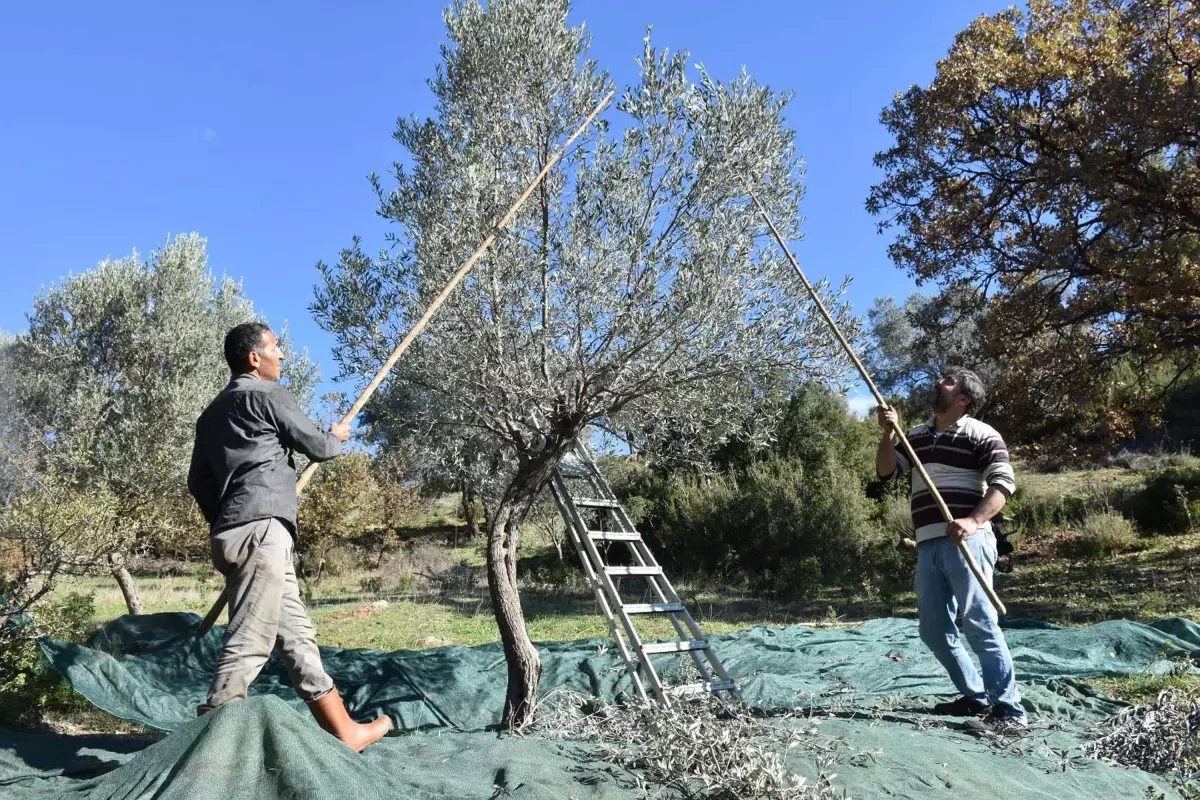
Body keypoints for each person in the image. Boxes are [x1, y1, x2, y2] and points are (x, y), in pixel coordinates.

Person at [188, 322, 392, 751]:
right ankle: (209, 754)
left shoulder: (209, 417)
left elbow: (199, 482)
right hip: (263, 532)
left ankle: (344, 731)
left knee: (296, 636)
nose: (282, 356)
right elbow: (318, 447)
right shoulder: (268, 395)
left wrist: (230, 517)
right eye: (276, 348)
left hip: (235, 532)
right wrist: (335, 436)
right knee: (249, 642)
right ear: (254, 358)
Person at [875, 367, 1027, 732]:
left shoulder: (981, 433)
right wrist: (888, 434)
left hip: (968, 540)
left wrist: (973, 521)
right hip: (927, 541)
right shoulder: (915, 436)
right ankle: (976, 697)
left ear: (963, 399)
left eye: (947, 382)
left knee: (979, 622)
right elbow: (885, 472)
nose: (937, 384)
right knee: (933, 630)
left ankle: (1009, 711)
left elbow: (1004, 483)